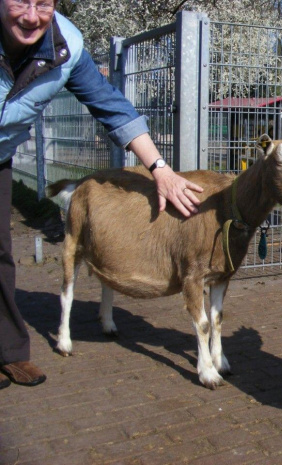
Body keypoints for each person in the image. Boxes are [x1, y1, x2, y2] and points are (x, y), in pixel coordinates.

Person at [0, 0, 203, 390]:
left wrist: (159, 169)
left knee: (0, 253)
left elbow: (112, 108)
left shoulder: (67, 47)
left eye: (42, 3)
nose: (30, 15)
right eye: (19, 1)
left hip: (0, 154)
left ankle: (9, 352)